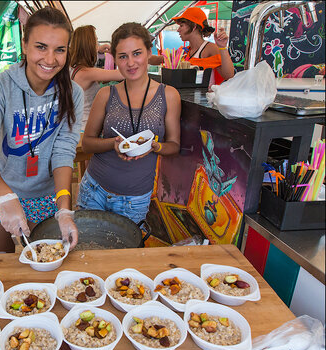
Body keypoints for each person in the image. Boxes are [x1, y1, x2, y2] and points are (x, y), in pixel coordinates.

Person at [0, 7, 83, 253]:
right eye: (41, 47)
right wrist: (4, 196)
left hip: (47, 195)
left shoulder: (73, 92)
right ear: (25, 45)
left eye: (60, 50)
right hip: (1, 188)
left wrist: (64, 208)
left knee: (43, 265)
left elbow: (64, 153)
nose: (50, 59)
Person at [78, 23, 181, 224]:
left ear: (149, 53)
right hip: (94, 191)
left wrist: (155, 146)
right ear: (115, 59)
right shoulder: (106, 94)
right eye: (123, 56)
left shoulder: (168, 95)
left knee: (125, 254)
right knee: (87, 252)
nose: (131, 62)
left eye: (137, 53)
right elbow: (88, 143)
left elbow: (174, 145)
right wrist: (112, 143)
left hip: (134, 200)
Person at [150, 7, 235, 85]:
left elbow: (229, 76)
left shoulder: (210, 48)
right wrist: (139, 56)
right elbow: (158, 59)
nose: (178, 30)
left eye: (181, 26)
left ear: (194, 26)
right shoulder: (183, 52)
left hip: (204, 100)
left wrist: (222, 48)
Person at [69, 25, 125, 129]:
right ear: (90, 44)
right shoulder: (87, 73)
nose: (98, 43)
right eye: (96, 40)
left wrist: (99, 49)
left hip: (76, 124)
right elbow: (123, 73)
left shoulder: (73, 68)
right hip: (84, 126)